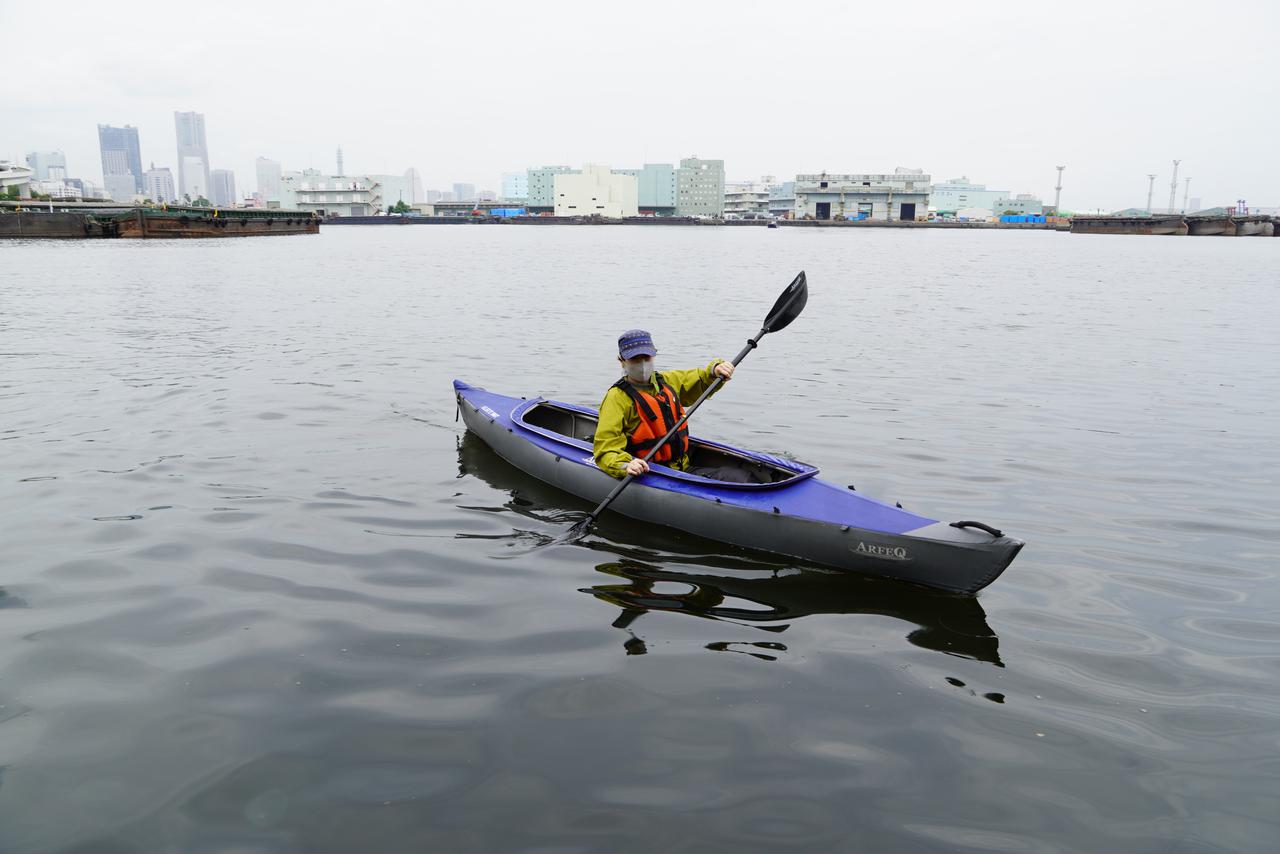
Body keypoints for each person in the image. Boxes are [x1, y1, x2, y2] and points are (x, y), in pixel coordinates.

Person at [594, 328, 749, 481]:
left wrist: (716, 369)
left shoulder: (666, 382)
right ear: (621, 361)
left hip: (682, 467)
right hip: (649, 472)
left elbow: (701, 378)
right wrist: (625, 465)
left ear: (653, 356)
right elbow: (606, 448)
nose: (642, 364)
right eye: (635, 359)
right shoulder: (616, 398)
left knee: (740, 476)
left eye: (646, 357)